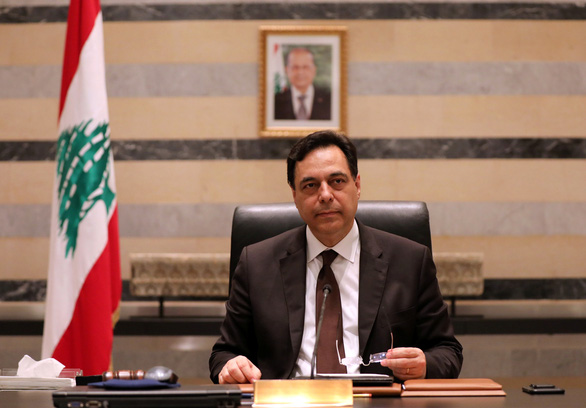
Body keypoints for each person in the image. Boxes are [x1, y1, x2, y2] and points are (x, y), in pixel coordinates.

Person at [209, 131, 463, 384]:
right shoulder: (256, 264)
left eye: (337, 181)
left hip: (378, 398)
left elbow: (447, 351)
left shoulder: (410, 261)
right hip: (287, 398)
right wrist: (232, 367)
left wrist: (424, 365)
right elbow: (224, 354)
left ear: (357, 186)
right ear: (295, 196)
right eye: (310, 185)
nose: (325, 195)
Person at [274, 47, 331, 120]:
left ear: (314, 70)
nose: (300, 72)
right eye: (295, 67)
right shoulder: (275, 102)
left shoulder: (330, 100)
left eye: (305, 67)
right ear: (287, 70)